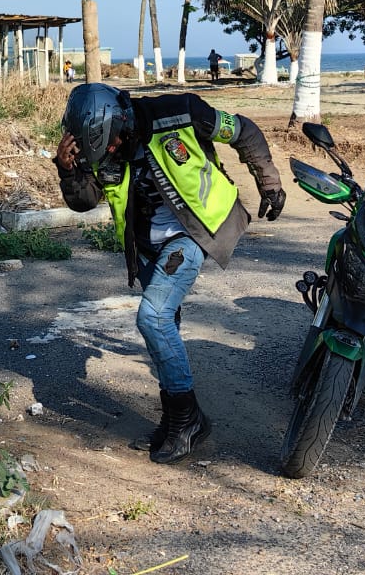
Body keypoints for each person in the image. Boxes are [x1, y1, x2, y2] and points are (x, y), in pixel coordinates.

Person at [54, 83, 286, 464]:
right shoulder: (92, 142)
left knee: (153, 316)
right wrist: (67, 171)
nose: (110, 153)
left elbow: (245, 131)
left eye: (112, 145)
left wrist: (270, 183)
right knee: (165, 327)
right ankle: (176, 415)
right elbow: (85, 201)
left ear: (122, 121)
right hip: (146, 243)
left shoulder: (181, 112)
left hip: (194, 231)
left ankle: (186, 418)